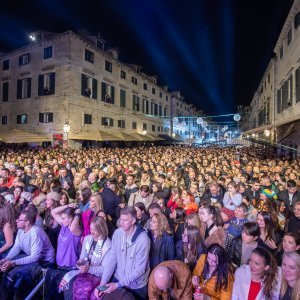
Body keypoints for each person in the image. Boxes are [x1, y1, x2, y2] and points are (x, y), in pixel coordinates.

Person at [94, 206, 150, 300]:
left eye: (125, 220)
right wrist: (102, 283)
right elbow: (112, 259)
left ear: (133, 221)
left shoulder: (143, 239)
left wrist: (117, 285)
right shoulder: (117, 233)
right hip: (119, 278)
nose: (121, 223)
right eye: (121, 219)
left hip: (136, 285)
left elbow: (140, 269)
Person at [0, 210, 55, 299]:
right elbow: (17, 246)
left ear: (27, 222)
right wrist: (7, 258)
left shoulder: (35, 232)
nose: (16, 221)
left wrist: (13, 262)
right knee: (8, 269)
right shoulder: (21, 230)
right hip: (33, 257)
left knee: (15, 275)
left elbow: (35, 257)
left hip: (45, 262)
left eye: (19, 220)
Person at [60, 216, 112, 300]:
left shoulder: (108, 245)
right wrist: (80, 264)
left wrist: (88, 269)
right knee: (68, 283)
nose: (91, 232)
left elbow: (105, 270)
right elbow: (81, 259)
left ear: (101, 229)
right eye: (91, 229)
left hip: (97, 277)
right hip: (84, 273)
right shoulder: (87, 239)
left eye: (94, 230)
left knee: (84, 291)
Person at [45, 204, 82, 300]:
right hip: (60, 266)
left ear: (71, 219)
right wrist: (68, 205)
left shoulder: (76, 230)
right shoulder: (63, 226)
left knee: (64, 296)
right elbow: (53, 212)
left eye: (64, 218)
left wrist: (77, 214)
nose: (62, 220)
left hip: (70, 269)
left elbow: (73, 227)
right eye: (62, 218)